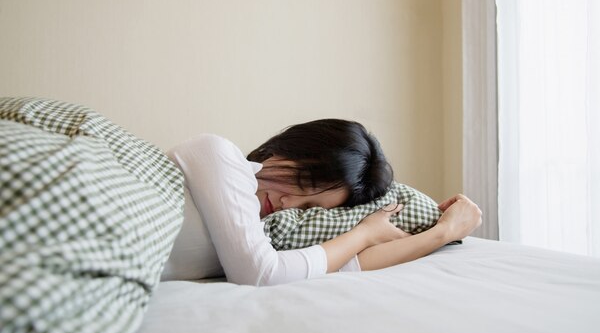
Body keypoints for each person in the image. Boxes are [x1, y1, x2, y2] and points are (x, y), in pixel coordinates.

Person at [164, 119, 481, 286]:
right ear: (289, 149)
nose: (289, 204)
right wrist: (363, 234)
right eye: (302, 182)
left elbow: (345, 265)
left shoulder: (264, 235)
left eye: (308, 209)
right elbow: (261, 276)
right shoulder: (219, 155)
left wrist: (441, 232)